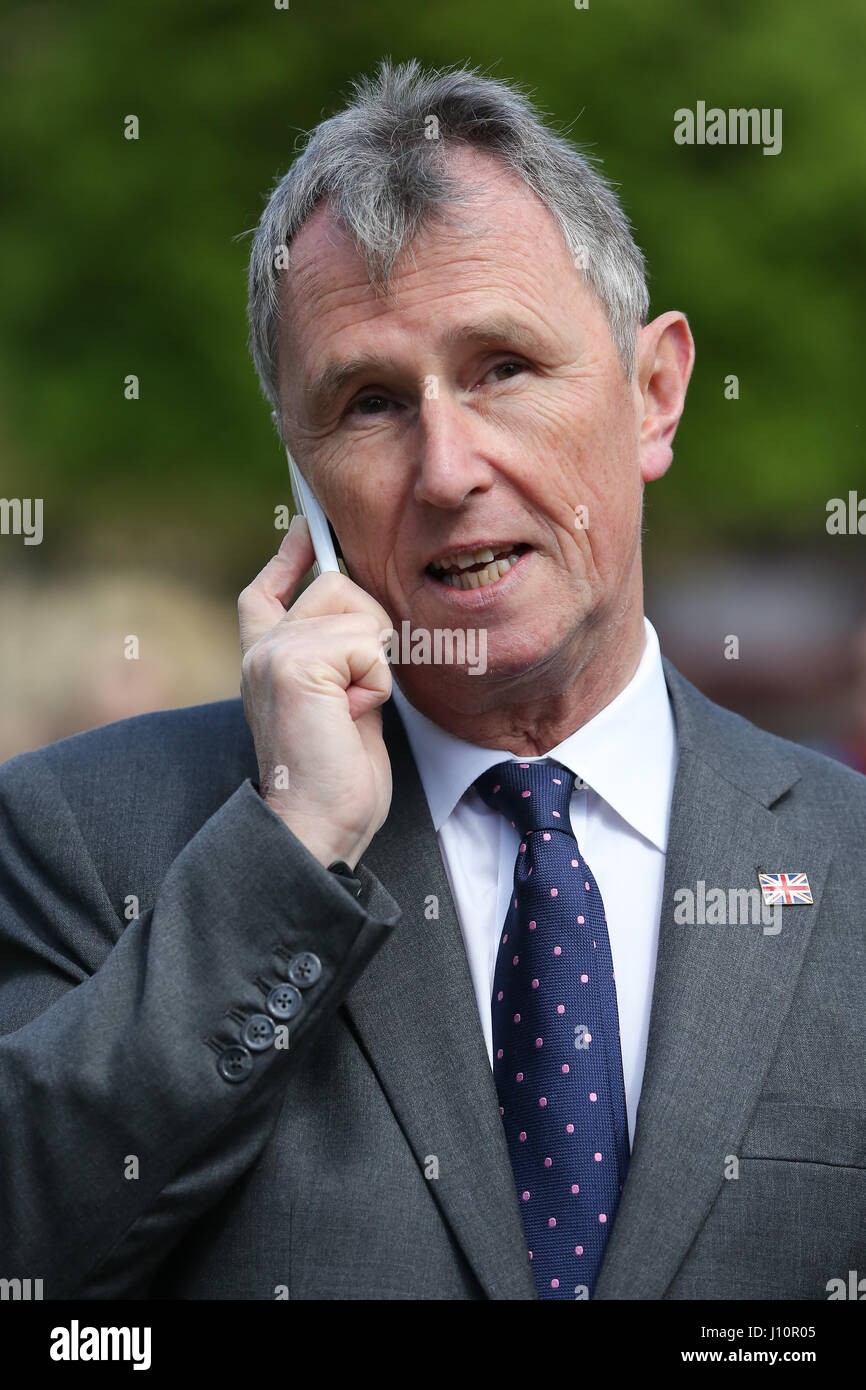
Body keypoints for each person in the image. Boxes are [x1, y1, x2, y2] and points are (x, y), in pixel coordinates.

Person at [1, 60, 863, 1302]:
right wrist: (290, 849)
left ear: (653, 392)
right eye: (366, 403)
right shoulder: (84, 837)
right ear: (300, 482)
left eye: (503, 366)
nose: (448, 466)